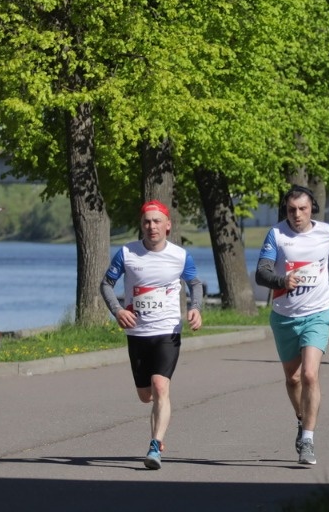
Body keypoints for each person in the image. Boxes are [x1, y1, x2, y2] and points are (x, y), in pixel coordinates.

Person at [100, 199, 204, 470]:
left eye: (157, 221)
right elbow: (106, 284)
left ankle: (155, 445)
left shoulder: (180, 255)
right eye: (147, 222)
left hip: (167, 330)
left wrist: (195, 308)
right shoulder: (127, 253)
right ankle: (157, 432)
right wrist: (117, 310)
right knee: (146, 395)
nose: (152, 226)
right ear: (141, 225)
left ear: (168, 225)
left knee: (160, 387)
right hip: (137, 332)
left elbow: (194, 283)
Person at [254, 185, 329, 466]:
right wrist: (282, 281)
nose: (297, 214)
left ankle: (307, 438)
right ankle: (301, 418)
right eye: (291, 209)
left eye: (303, 209)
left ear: (312, 209)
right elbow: (261, 273)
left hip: (317, 314)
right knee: (293, 379)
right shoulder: (277, 234)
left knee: (309, 374)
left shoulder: (328, 232)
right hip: (284, 316)